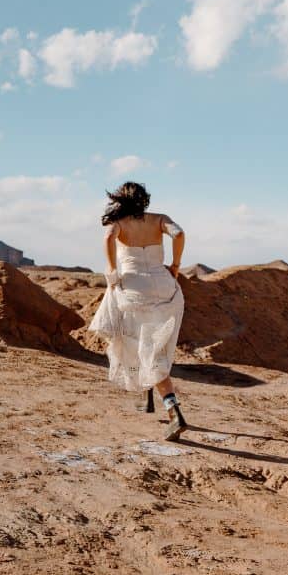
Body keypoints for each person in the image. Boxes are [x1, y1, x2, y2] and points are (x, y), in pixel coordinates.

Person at [89, 181, 187, 440]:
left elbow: (109, 237)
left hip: (134, 289)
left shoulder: (119, 223)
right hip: (166, 288)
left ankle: (173, 410)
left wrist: (112, 272)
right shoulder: (159, 219)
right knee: (153, 342)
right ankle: (147, 398)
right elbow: (179, 234)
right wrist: (175, 266)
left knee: (140, 345)